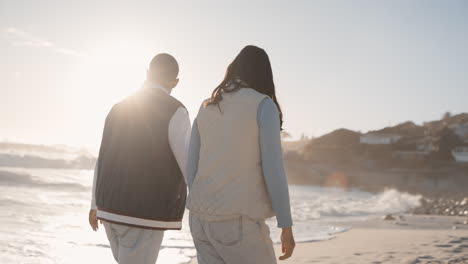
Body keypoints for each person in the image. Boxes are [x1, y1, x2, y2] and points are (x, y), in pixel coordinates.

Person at [186, 45, 295, 264]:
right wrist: (286, 225)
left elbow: (191, 167)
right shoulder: (263, 105)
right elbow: (273, 169)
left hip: (199, 219)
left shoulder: (206, 106)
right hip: (237, 223)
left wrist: (207, 202)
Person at [88, 53, 191, 264]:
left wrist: (95, 204)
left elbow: (103, 157)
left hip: (109, 211)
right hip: (143, 215)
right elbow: (189, 166)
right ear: (176, 82)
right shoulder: (175, 110)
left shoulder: (117, 108)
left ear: (147, 73)